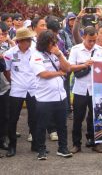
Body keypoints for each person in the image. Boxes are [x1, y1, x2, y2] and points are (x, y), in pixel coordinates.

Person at [29, 30, 72, 160]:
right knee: (42, 125)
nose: (54, 45)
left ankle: (63, 148)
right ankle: (41, 149)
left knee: (62, 124)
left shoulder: (55, 53)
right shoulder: (36, 56)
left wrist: (59, 55)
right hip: (45, 97)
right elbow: (43, 74)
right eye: (51, 43)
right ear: (44, 43)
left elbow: (67, 68)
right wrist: (59, 73)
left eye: (54, 42)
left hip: (60, 96)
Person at [68, 26, 102, 154]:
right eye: (89, 40)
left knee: (95, 117)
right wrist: (84, 65)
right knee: (78, 117)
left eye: (94, 40)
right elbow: (69, 67)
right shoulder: (76, 50)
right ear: (83, 37)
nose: (92, 43)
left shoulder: (100, 50)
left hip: (96, 88)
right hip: (80, 89)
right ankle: (76, 144)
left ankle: (95, 142)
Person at [3, 27, 37, 157]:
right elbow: (7, 71)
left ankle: (36, 144)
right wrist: (13, 81)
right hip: (17, 90)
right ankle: (12, 146)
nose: (28, 43)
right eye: (26, 40)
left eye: (29, 40)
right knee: (13, 119)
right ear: (19, 41)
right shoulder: (9, 53)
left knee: (34, 118)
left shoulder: (35, 52)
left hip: (33, 89)